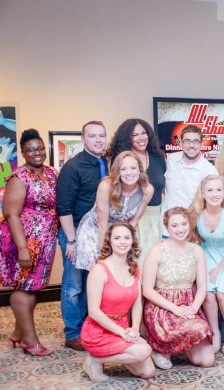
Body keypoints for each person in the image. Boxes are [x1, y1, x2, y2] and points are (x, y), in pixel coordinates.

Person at [0, 129, 58, 356]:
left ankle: (18, 332)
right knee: (23, 288)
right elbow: (12, 214)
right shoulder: (20, 177)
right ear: (23, 153)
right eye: (31, 150)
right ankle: (30, 341)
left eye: (40, 148)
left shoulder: (52, 173)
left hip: (44, 241)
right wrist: (23, 249)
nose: (37, 153)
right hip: (23, 241)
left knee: (34, 288)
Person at [80, 222, 154, 382]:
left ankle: (102, 358)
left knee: (148, 371)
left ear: (132, 241)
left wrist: (134, 329)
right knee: (143, 351)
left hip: (123, 328)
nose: (122, 242)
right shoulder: (99, 270)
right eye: (117, 238)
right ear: (110, 241)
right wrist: (123, 334)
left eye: (126, 237)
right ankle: (95, 360)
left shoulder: (134, 267)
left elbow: (137, 303)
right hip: (98, 331)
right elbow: (93, 311)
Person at [57, 121, 108, 351]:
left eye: (101, 135)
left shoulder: (105, 163)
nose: (98, 140)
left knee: (92, 283)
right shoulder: (73, 167)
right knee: (73, 285)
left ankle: (89, 328)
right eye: (92, 136)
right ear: (83, 139)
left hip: (95, 233)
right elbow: (64, 208)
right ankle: (72, 333)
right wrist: (71, 240)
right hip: (75, 233)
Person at [142, 207, 214, 369]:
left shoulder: (196, 250)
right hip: (162, 308)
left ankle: (177, 348)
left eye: (184, 224)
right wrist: (175, 309)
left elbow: (202, 286)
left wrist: (194, 307)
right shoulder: (156, 251)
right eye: (175, 226)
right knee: (195, 328)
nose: (180, 229)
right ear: (167, 227)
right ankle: (158, 348)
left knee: (207, 361)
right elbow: (147, 290)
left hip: (188, 306)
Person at [75, 151, 153, 272]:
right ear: (117, 171)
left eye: (133, 168)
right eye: (123, 169)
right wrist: (104, 255)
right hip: (96, 232)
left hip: (120, 233)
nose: (129, 173)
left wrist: (122, 243)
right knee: (101, 270)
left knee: (121, 269)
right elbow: (102, 224)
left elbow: (133, 222)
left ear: (140, 170)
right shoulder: (106, 186)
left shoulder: (147, 190)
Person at [189, 175, 224, 354]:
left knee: (222, 294)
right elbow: (189, 240)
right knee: (208, 294)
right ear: (202, 193)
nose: (215, 194)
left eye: (219, 190)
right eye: (210, 190)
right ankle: (215, 334)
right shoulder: (195, 213)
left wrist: (220, 268)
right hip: (205, 258)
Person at [106, 119, 166, 266]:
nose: (141, 138)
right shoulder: (119, 159)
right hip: (130, 218)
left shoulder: (159, 158)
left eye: (144, 133)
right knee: (132, 264)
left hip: (154, 218)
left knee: (153, 264)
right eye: (135, 135)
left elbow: (163, 189)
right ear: (127, 138)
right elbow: (113, 189)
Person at [161, 125, 218, 237]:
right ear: (181, 143)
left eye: (196, 141)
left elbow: (209, 205)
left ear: (201, 144)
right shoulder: (171, 159)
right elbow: (164, 188)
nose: (191, 145)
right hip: (165, 230)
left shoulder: (210, 171)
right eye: (187, 141)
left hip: (189, 233)